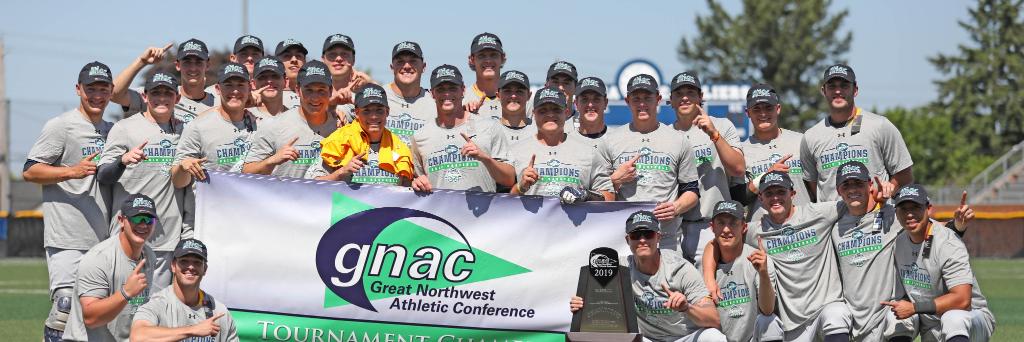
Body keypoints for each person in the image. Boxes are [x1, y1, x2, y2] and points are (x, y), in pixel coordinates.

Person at [24, 61, 116, 341]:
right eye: (91, 89)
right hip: (66, 237)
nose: (97, 95)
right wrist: (71, 172)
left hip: (104, 241)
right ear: (78, 89)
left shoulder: (114, 131)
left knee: (99, 317)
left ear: (111, 91)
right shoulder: (61, 126)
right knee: (64, 307)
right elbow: (30, 171)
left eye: (103, 89)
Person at [731, 171, 853, 341]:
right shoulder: (756, 230)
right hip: (791, 321)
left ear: (793, 194)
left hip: (825, 307)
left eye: (781, 192)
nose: (775, 198)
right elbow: (720, 238)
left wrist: (880, 197)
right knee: (765, 321)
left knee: (837, 314)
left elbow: (857, 203)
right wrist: (708, 273)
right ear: (760, 198)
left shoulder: (818, 213)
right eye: (769, 193)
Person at [570, 210, 726, 342]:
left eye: (648, 234)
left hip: (684, 338)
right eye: (636, 235)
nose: (642, 240)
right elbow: (596, 297)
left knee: (713, 337)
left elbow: (714, 319)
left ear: (658, 237)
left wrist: (687, 307)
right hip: (646, 339)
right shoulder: (619, 269)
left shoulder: (681, 269)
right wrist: (582, 304)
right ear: (627, 240)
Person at [97, 71, 187, 290]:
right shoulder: (124, 128)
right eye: (156, 93)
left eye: (168, 93)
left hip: (166, 238)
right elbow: (103, 175)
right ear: (145, 96)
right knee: (123, 303)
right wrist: (122, 161)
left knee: (155, 306)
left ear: (177, 98)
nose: (162, 98)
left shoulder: (185, 130)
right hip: (129, 235)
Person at [596, 74, 700, 249]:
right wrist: (615, 180)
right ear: (627, 101)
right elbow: (597, 194)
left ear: (658, 99)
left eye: (647, 98)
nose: (642, 104)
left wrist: (676, 207)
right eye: (636, 99)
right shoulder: (610, 141)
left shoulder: (678, 140)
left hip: (665, 239)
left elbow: (692, 191)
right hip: (625, 239)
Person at [887, 184, 996, 342]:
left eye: (916, 207)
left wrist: (914, 308)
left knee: (953, 318)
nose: (909, 214)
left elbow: (962, 300)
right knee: (893, 316)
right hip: (930, 323)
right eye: (903, 209)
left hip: (970, 317)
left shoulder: (948, 242)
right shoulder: (899, 242)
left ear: (929, 209)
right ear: (896, 213)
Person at [800, 64, 912, 202]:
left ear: (855, 90)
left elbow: (904, 175)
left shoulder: (879, 126)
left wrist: (886, 193)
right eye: (832, 86)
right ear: (824, 91)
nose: (838, 91)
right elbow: (813, 187)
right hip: (832, 216)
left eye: (844, 86)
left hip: (875, 213)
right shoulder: (811, 136)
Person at [668, 71, 745, 264]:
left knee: (709, 282)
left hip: (710, 225)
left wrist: (713, 134)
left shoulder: (721, 125)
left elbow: (738, 168)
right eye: (679, 93)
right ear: (671, 100)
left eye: (691, 93)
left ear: (700, 97)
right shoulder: (665, 134)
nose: (685, 98)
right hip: (673, 227)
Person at [62, 194, 160, 342]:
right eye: (136, 218)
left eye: (149, 220)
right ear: (121, 220)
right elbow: (90, 318)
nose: (143, 224)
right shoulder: (99, 258)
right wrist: (126, 293)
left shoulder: (149, 256)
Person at [409, 64, 515, 193]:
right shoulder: (420, 136)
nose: (447, 94)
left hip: (482, 206)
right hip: (439, 207)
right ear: (432, 93)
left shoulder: (489, 127)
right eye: (441, 89)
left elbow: (509, 179)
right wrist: (417, 182)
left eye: (452, 88)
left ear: (463, 90)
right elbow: (417, 178)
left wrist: (485, 158)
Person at [508, 86, 611, 200]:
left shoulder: (589, 152)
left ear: (566, 112)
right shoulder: (516, 151)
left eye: (556, 110)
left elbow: (609, 196)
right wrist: (520, 187)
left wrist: (586, 195)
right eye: (543, 111)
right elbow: (503, 201)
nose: (550, 115)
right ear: (533, 114)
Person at [242, 60, 339, 178]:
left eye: (321, 90)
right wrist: (271, 161)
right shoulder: (274, 125)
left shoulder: (340, 126)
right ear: (298, 90)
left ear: (330, 91)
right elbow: (246, 171)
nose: (315, 98)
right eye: (308, 90)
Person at [130, 239, 239, 341]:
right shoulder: (158, 304)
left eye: (197, 262)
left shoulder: (219, 311)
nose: (190, 267)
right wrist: (193, 330)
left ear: (205, 269)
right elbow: (137, 337)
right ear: (173, 266)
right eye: (184, 261)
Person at [171, 62, 260, 186]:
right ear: (218, 89)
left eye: (240, 85)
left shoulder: (260, 124)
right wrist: (182, 167)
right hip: (209, 198)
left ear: (249, 88)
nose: (235, 91)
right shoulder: (198, 127)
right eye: (228, 85)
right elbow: (178, 183)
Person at [706, 200, 782, 342]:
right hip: (722, 338)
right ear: (712, 227)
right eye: (721, 223)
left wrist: (763, 273)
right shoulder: (706, 267)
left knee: (769, 322)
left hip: (754, 338)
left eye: (733, 223)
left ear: (744, 227)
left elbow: (767, 310)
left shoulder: (758, 259)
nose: (726, 229)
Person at [316, 83, 415, 186]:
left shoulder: (400, 146)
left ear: (387, 112)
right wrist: (341, 172)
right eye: (366, 111)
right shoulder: (338, 141)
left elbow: (408, 187)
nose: (373, 116)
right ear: (356, 113)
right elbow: (312, 184)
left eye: (379, 110)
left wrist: (416, 183)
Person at [736, 84, 809, 222]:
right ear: (747, 112)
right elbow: (738, 199)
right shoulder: (741, 151)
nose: (763, 114)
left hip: (803, 227)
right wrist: (766, 175)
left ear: (778, 109)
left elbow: (815, 186)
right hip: (763, 230)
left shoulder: (801, 141)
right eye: (756, 109)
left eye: (768, 108)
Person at [112, 39, 217, 123]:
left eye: (198, 62)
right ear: (178, 65)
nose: (193, 68)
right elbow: (114, 94)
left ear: (207, 65)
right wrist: (141, 61)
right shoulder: (162, 95)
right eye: (187, 62)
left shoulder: (220, 100)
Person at [385, 41, 436, 145]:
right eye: (400, 61)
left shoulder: (435, 103)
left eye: (413, 61)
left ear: (423, 67)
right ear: (392, 67)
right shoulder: (377, 97)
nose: (407, 66)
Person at [321, 33, 373, 124]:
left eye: (344, 54)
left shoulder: (365, 94)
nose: (338, 58)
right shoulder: (313, 92)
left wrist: (372, 84)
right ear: (323, 60)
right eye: (332, 54)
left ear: (353, 59)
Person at [463, 32, 506, 118]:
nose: (488, 60)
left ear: (502, 58)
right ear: (472, 59)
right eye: (481, 56)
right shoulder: (462, 100)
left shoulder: (518, 98)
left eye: (493, 55)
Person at [567, 76, 611, 149]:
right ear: (576, 104)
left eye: (596, 99)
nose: (590, 105)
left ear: (605, 103)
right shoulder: (566, 142)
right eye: (585, 99)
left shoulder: (618, 140)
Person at [493, 70, 535, 145]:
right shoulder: (488, 129)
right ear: (498, 96)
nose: (513, 96)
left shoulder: (539, 130)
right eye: (507, 91)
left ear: (529, 96)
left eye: (519, 91)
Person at [247, 56, 288, 121]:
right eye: (262, 77)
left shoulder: (296, 117)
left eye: (275, 76)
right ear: (253, 84)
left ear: (285, 82)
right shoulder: (242, 116)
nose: (269, 81)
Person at [274, 38, 308, 110]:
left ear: (305, 61)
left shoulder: (318, 94)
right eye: (287, 56)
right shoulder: (267, 95)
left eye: (298, 56)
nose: (294, 60)